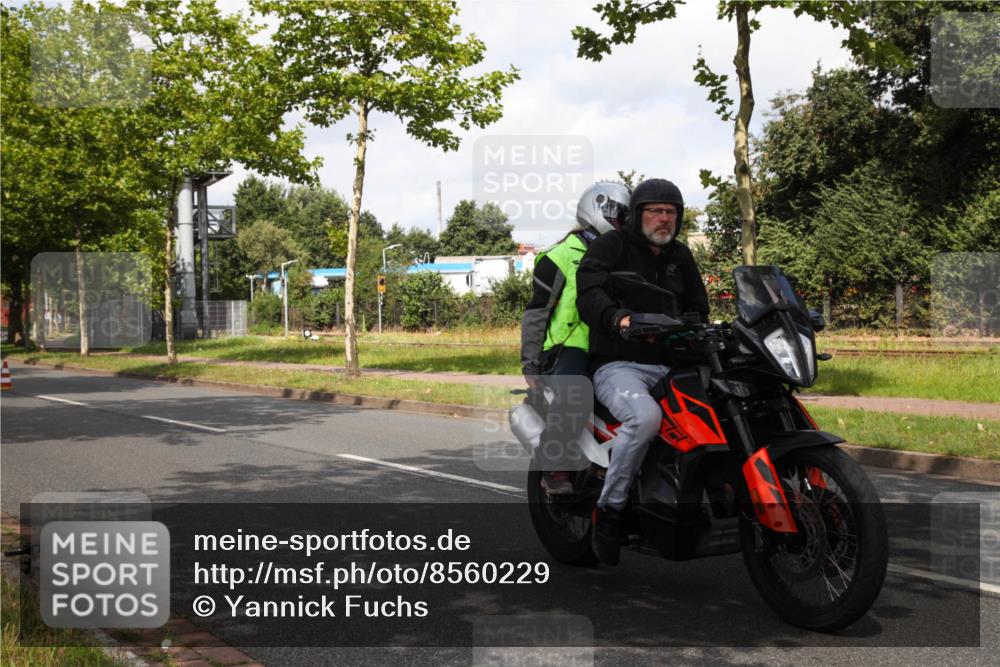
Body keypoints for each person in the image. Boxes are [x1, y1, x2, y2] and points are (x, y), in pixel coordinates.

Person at [576, 178, 709, 564]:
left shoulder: (680, 256)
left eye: (670, 212)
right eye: (655, 211)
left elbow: (698, 306)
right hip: (619, 363)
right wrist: (617, 317)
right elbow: (590, 293)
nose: (663, 218)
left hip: (673, 363)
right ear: (637, 214)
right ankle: (611, 510)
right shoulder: (612, 246)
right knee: (646, 418)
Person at [521, 181, 631, 494]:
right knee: (576, 394)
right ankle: (553, 462)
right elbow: (536, 312)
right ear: (600, 211)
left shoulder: (626, 256)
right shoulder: (559, 256)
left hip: (614, 346)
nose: (625, 224)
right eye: (621, 217)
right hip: (568, 348)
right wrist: (530, 363)